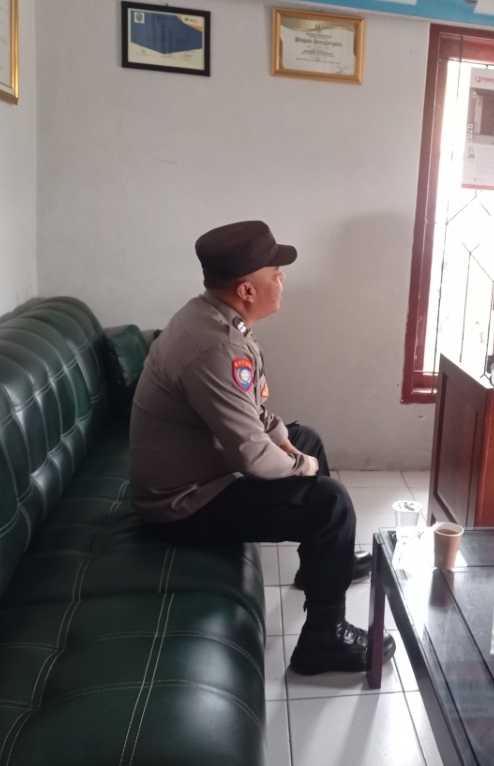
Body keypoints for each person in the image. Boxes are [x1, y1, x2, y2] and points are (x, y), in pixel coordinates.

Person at [129, 220, 394, 675]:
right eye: (275, 272)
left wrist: (290, 445)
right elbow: (251, 456)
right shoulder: (214, 346)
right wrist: (301, 467)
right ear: (247, 290)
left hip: (202, 471)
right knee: (329, 502)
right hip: (182, 503)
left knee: (306, 437)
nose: (282, 278)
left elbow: (249, 410)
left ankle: (322, 567)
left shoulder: (211, 316)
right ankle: (323, 640)